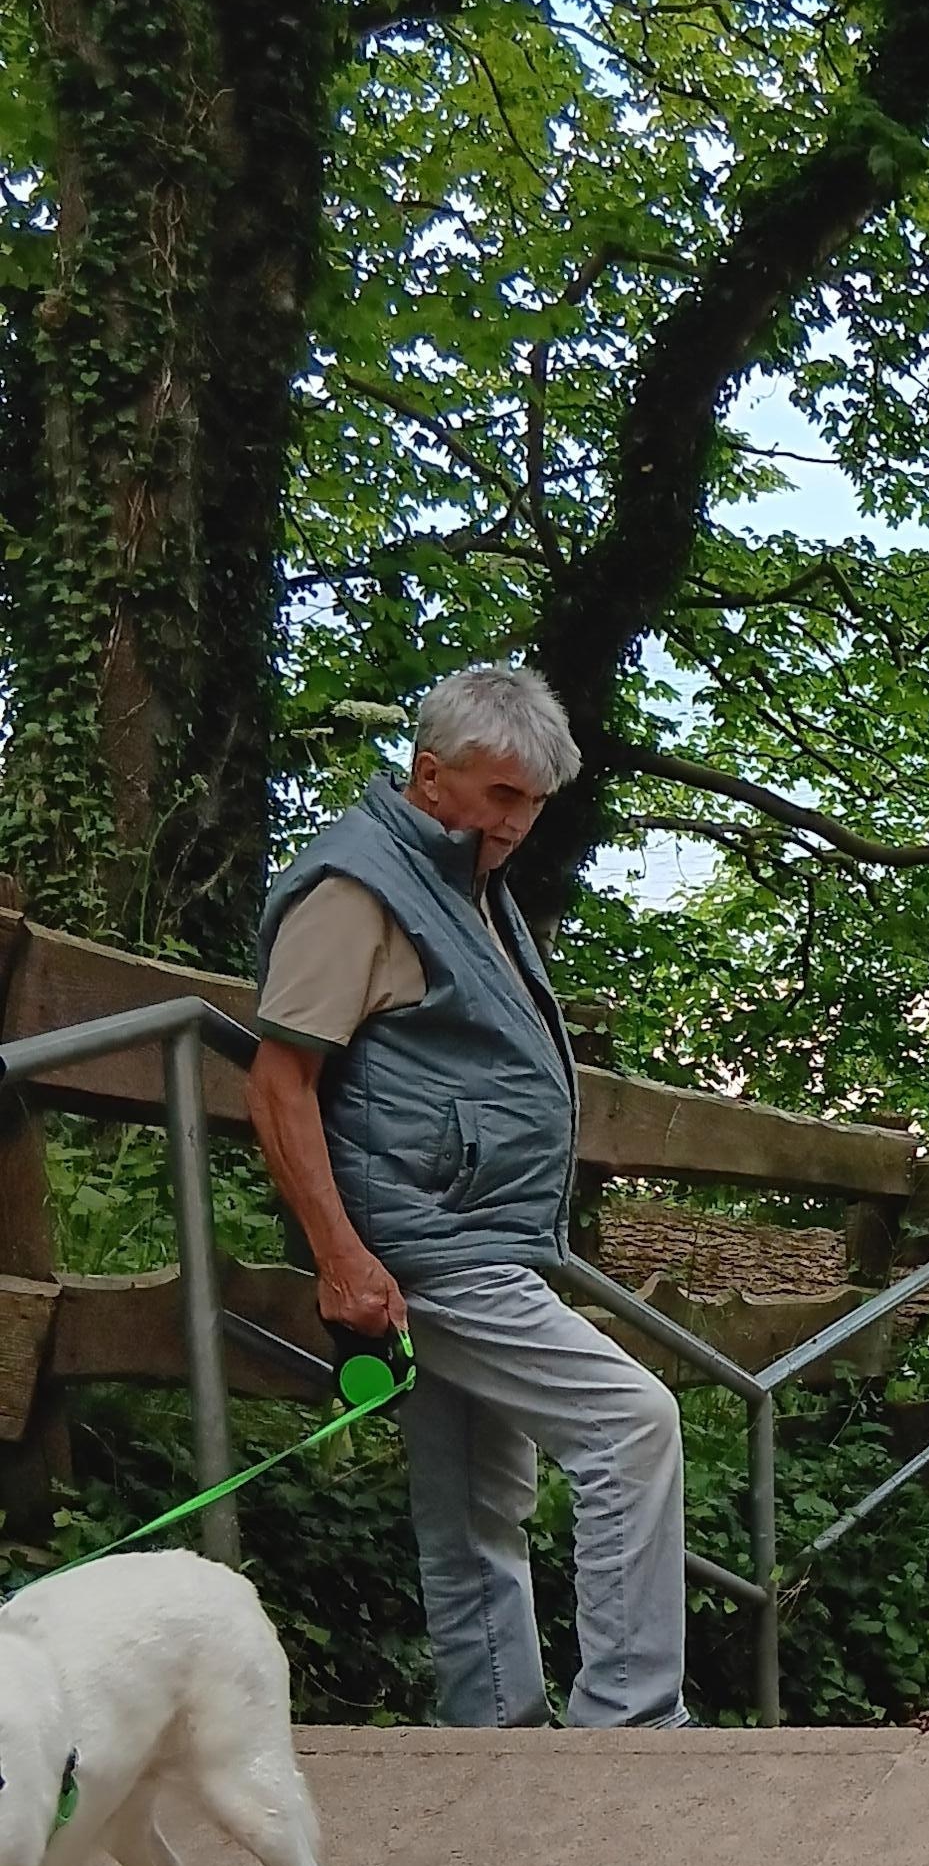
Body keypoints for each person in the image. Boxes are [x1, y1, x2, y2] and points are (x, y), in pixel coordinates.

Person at [247, 667, 690, 1729]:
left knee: (475, 1501)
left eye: (534, 803)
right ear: (430, 774)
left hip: (464, 1234)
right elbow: (278, 1080)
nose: (519, 822)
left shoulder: (458, 880)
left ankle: (490, 1733)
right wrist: (343, 1258)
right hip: (425, 1243)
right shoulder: (358, 887)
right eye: (500, 797)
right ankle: (631, 1725)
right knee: (631, 1423)